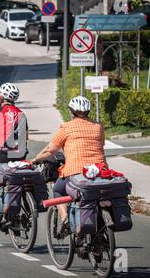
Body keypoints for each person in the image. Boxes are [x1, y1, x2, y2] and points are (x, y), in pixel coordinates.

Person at [31, 96, 106, 227]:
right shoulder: (99, 127)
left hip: (76, 172)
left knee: (58, 189)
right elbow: (101, 145)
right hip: (100, 171)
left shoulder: (67, 127)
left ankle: (65, 219)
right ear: (88, 112)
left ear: (71, 112)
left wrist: (36, 159)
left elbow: (50, 150)